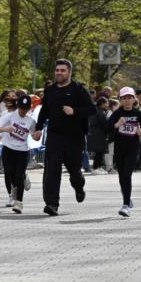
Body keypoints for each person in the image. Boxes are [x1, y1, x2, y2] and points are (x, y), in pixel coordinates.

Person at [33, 58, 95, 216]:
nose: (59, 73)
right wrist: (39, 128)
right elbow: (44, 110)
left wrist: (74, 111)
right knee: (52, 169)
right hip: (55, 136)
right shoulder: (50, 90)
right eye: (57, 70)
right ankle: (52, 204)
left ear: (69, 72)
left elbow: (92, 109)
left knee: (74, 171)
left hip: (75, 137)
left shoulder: (79, 89)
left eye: (62, 70)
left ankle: (79, 186)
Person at [106, 87, 141, 217]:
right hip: (119, 148)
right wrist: (116, 125)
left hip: (133, 148)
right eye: (124, 98)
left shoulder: (138, 114)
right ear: (120, 100)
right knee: (121, 176)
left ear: (134, 99)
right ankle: (127, 197)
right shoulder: (117, 113)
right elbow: (106, 128)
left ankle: (125, 206)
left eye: (129, 97)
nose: (127, 100)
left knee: (127, 175)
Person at [0, 94, 37, 213]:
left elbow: (35, 135)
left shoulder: (31, 121)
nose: (23, 111)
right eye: (21, 108)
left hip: (22, 151)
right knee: (9, 174)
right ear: (18, 107)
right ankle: (16, 187)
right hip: (8, 149)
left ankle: (19, 203)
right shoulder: (10, 116)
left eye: (25, 109)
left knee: (18, 175)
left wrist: (37, 135)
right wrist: (5, 129)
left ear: (29, 109)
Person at [87, 97, 110, 173]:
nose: (107, 105)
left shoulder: (95, 110)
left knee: (99, 151)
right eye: (106, 103)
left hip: (96, 133)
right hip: (98, 134)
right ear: (102, 103)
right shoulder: (99, 111)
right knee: (99, 151)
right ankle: (95, 167)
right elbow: (104, 122)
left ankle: (98, 166)